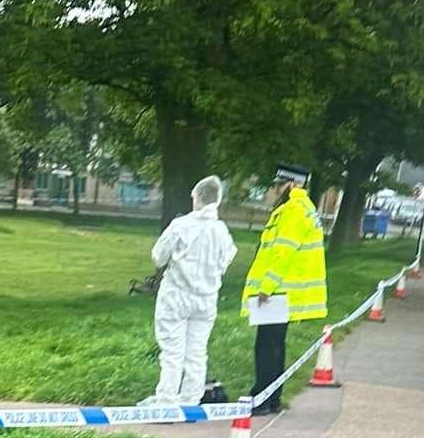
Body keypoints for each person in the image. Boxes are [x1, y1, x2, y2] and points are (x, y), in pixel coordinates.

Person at [140, 175, 238, 407]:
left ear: (196, 198)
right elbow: (228, 258)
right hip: (206, 299)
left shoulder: (181, 225)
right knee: (196, 351)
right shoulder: (221, 230)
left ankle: (166, 402)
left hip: (176, 295)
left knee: (172, 352)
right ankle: (190, 401)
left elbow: (158, 255)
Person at [242, 164, 328, 414]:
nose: (275, 189)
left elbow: (283, 252)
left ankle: (261, 398)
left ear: (292, 184)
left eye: (279, 184)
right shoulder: (305, 208)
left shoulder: (292, 211)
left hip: (278, 292)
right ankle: (273, 398)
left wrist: (266, 287)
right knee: (275, 344)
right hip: (285, 291)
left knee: (266, 345)